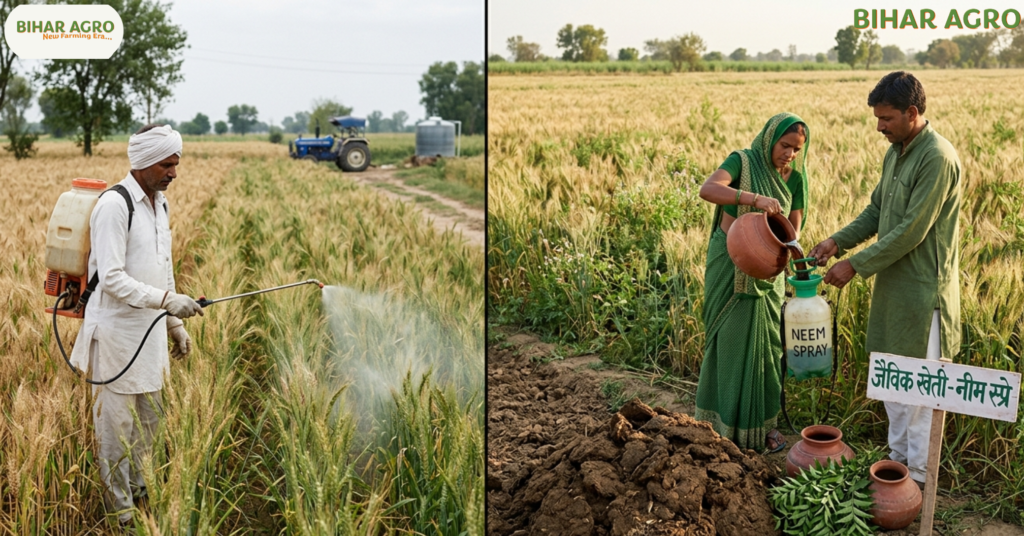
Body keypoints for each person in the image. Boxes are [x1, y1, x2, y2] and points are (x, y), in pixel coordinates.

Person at [809, 71, 961, 489]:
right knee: (892, 378)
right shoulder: (897, 152)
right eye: (877, 118)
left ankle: (920, 477)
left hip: (922, 293)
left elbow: (912, 230)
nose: (879, 126)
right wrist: (836, 243)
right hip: (893, 285)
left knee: (920, 392)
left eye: (886, 118)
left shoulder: (937, 157)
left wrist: (855, 265)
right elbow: (877, 212)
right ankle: (896, 464)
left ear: (912, 113)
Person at [69, 124, 204, 526]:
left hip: (149, 335)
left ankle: (144, 495)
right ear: (144, 162)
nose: (174, 172)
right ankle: (121, 515)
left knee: (150, 423)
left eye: (176, 163)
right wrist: (166, 301)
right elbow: (110, 277)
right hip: (116, 337)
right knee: (116, 431)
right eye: (167, 163)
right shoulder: (115, 204)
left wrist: (174, 324)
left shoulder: (159, 203)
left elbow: (163, 266)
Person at [694, 112, 810, 453]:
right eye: (784, 145)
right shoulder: (742, 161)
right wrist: (752, 199)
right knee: (728, 340)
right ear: (768, 139)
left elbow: (794, 226)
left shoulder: (796, 179)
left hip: (769, 267)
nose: (789, 154)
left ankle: (764, 428)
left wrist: (793, 255)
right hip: (729, 263)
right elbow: (708, 189)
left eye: (796, 149)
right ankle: (717, 425)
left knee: (769, 348)